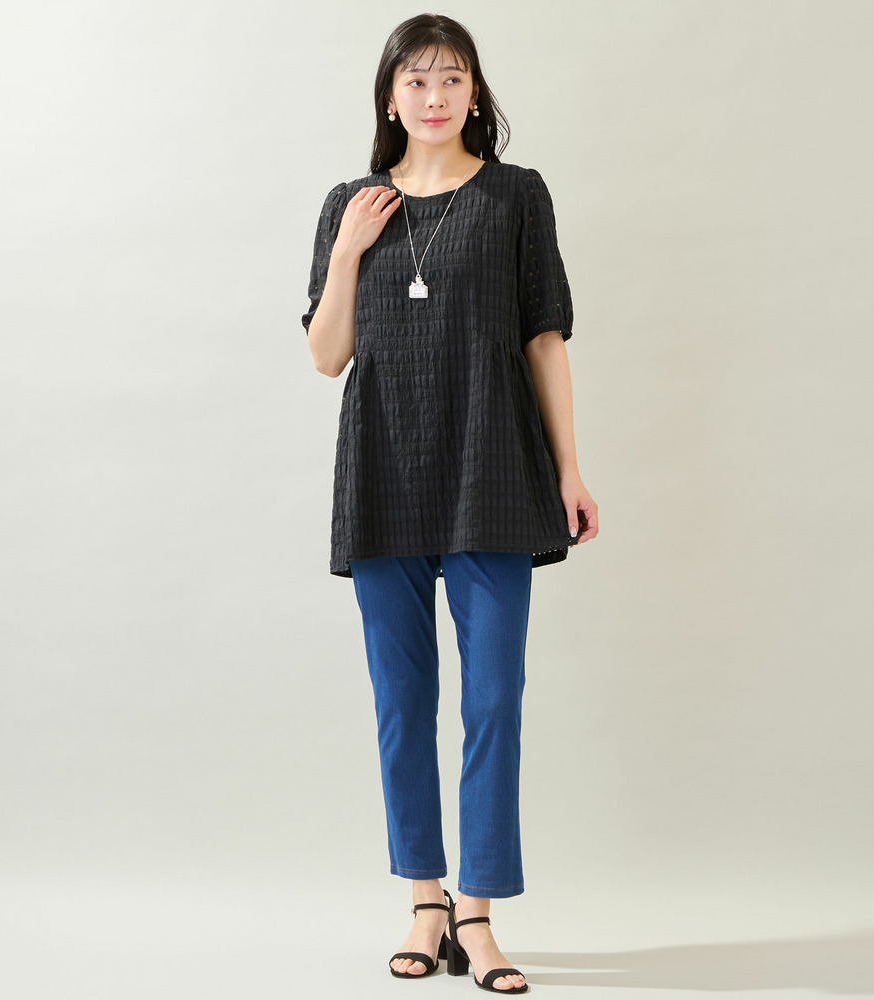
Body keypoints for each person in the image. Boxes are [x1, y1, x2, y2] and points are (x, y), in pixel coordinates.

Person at [300, 13, 597, 994]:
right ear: (390, 98)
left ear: (475, 92)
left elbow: (544, 337)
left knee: (493, 699)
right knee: (402, 704)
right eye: (416, 80)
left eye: (452, 77)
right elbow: (327, 355)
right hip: (383, 477)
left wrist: (569, 469)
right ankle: (424, 902)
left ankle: (477, 914)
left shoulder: (516, 195)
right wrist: (348, 251)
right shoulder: (349, 203)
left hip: (493, 472)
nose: (435, 96)